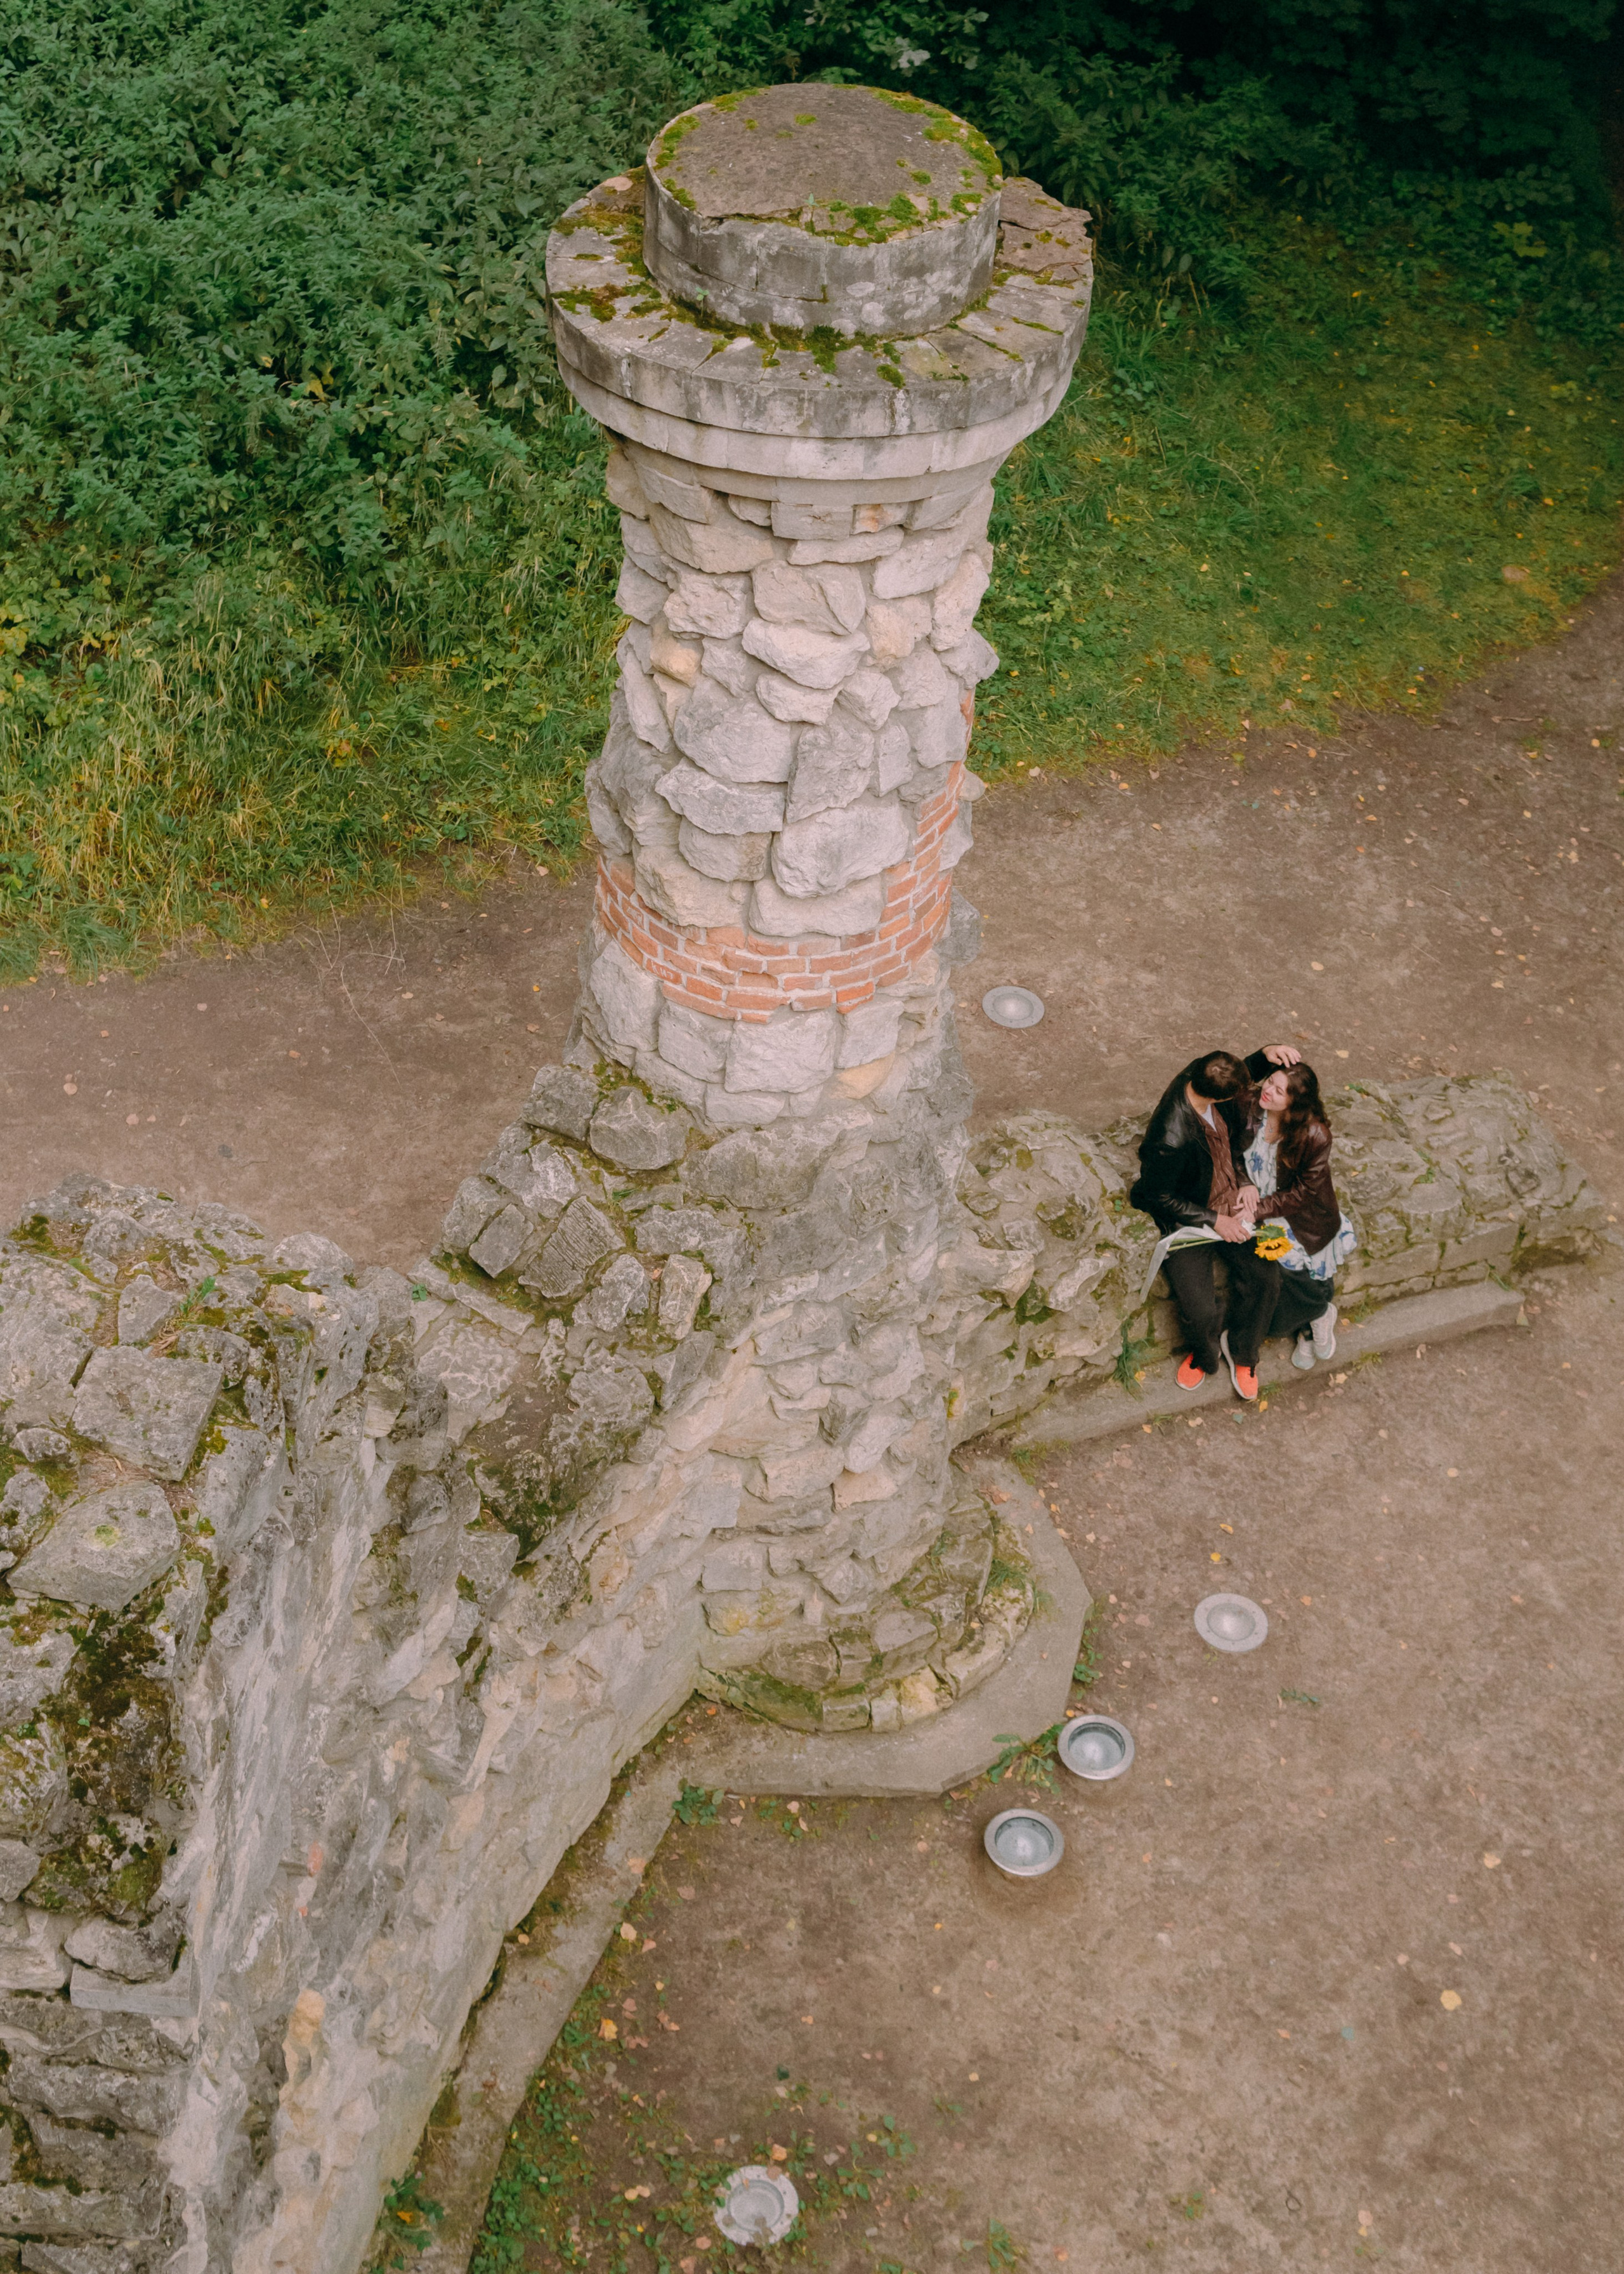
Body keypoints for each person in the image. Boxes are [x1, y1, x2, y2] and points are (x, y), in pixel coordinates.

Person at [1129, 1044, 1332, 1403]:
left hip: (1233, 1201)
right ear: (1223, 1096)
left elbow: (1232, 1074)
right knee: (1200, 1307)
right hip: (1190, 1218)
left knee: (1266, 1281)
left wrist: (1265, 1053)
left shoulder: (1201, 1073)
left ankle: (1244, 1353)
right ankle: (1204, 1356)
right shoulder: (1169, 1138)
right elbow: (1157, 1196)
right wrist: (1216, 1221)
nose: (1253, 1094)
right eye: (1246, 1091)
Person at [1243, 1060, 1355, 1371]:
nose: (1269, 1091)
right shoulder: (1251, 1108)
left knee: (1307, 1272)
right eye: (1270, 1082)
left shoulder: (1316, 1135)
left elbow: (1303, 1193)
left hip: (1303, 1217)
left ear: (1295, 1102)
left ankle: (1315, 1319)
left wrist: (1256, 1209)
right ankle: (1316, 1316)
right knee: (1283, 1275)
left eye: (1280, 1091)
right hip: (1264, 1209)